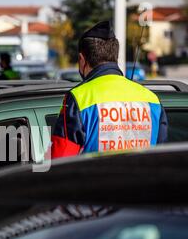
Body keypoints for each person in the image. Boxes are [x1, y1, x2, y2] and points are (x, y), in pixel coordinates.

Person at [50, 21, 168, 159]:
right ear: (115, 57)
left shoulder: (78, 98)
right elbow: (162, 155)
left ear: (82, 59)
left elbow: (61, 159)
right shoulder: (151, 99)